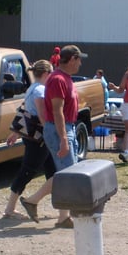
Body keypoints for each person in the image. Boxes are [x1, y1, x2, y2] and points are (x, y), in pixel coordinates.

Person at [3, 60, 57, 220]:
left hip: (35, 138)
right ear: (47, 73)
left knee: (54, 172)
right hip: (39, 139)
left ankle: (62, 211)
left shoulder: (32, 89)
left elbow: (26, 115)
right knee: (28, 171)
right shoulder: (40, 91)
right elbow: (41, 117)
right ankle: (11, 208)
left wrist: (16, 133)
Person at [41, 44, 85, 228]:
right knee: (68, 175)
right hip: (60, 128)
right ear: (72, 59)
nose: (80, 64)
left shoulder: (65, 78)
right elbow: (57, 111)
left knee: (66, 173)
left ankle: (63, 217)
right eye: (79, 59)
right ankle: (33, 201)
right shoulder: (58, 79)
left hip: (67, 127)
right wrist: (64, 139)